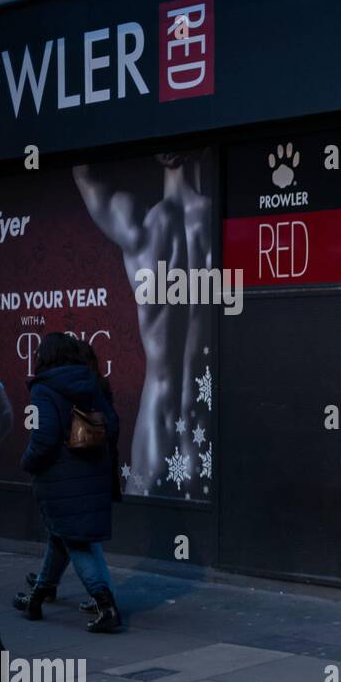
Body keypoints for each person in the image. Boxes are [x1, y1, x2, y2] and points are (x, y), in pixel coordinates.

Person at [73, 153, 213, 494]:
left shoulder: (141, 227)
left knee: (142, 542)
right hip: (206, 431)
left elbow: (84, 172)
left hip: (155, 427)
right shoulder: (220, 225)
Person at [13, 333, 123, 633]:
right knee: (61, 535)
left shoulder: (44, 389)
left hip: (60, 479)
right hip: (93, 474)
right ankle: (38, 595)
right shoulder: (89, 382)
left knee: (74, 541)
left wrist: (27, 462)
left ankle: (105, 604)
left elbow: (44, 438)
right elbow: (111, 425)